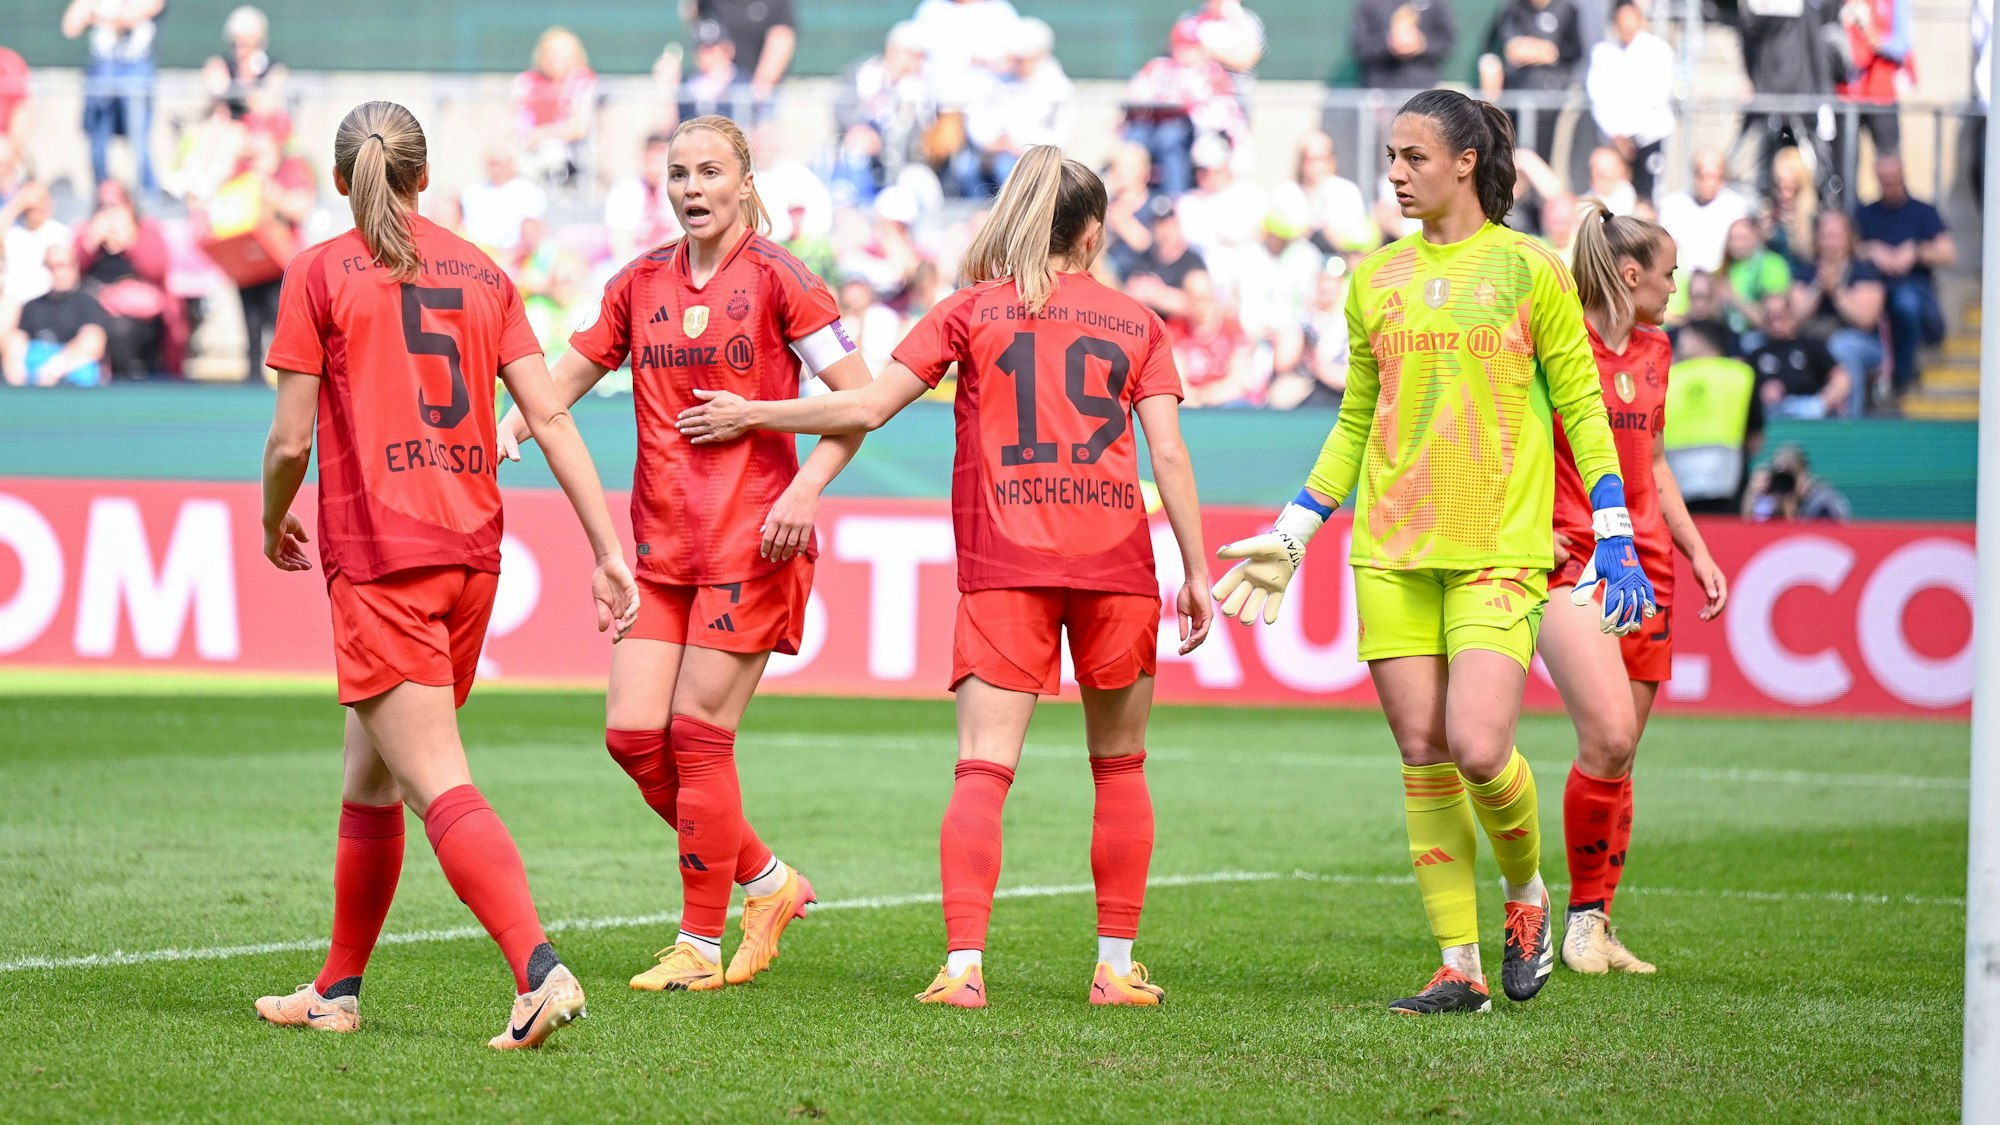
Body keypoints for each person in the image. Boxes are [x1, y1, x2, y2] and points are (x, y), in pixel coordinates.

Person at [676, 145, 1214, 1009]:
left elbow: (862, 407)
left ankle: (963, 968)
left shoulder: (968, 312)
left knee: (981, 769)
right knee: (1119, 765)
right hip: (1118, 561)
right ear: (1094, 232)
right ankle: (1115, 967)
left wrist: (752, 412)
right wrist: (1195, 569)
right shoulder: (1136, 322)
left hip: (1007, 563)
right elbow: (1173, 453)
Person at [1209, 90, 1654, 1015]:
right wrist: (1295, 529)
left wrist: (1614, 532)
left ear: (1464, 162)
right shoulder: (1375, 279)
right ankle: (1458, 963)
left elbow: (1582, 406)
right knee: (1422, 750)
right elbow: (1356, 421)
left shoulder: (1532, 270)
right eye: (1392, 158)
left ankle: (1527, 894)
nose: (1398, 173)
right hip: (1390, 550)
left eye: (1414, 156)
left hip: (1500, 546)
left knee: (1480, 748)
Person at [252, 100, 638, 1050]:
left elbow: (291, 440)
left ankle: (539, 971)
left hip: (382, 557)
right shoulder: (483, 271)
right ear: (425, 177)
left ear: (342, 183)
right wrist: (606, 547)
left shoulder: (318, 273)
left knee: (437, 783)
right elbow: (549, 419)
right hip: (471, 554)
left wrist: (271, 521)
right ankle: (338, 987)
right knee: (372, 772)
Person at [496, 114, 868, 993]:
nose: (692, 188)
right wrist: (512, 421)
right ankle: (769, 882)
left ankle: (698, 943)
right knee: (633, 737)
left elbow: (858, 401)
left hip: (753, 540)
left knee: (698, 737)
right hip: (661, 546)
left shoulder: (784, 280)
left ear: (744, 182)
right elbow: (573, 371)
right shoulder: (639, 283)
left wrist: (805, 486)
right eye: (678, 174)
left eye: (709, 172)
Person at [1544, 198, 1728, 977]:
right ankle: (1565, 919)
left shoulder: (1656, 349)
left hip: (1648, 565)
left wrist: (1695, 548)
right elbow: (1514, 443)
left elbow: (1651, 464)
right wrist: (1529, 526)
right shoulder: (1556, 343)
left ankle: (1595, 925)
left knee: (1621, 756)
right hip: (1575, 560)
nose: (1676, 285)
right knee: (1608, 737)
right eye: (1668, 271)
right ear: (1629, 273)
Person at [1856, 153, 1953, 397]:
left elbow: (1948, 254)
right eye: (1884, 179)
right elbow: (1846, 248)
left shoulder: (1923, 212)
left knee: (1906, 303)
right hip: (1874, 290)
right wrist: (1872, 251)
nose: (1890, 184)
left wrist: (1915, 251)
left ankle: (1903, 376)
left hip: (1914, 290)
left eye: (1894, 178)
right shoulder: (1865, 214)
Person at [1662, 321, 1763, 513]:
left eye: (1685, 337)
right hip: (1729, 483)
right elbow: (1755, 438)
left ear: (1699, 340)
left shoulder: (1668, 376)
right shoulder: (1741, 375)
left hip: (1676, 483)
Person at [64, 0, 163, 194]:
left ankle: (148, 194)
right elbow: (70, 27)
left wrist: (96, 16)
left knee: (138, 140)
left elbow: (131, 18)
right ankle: (101, 192)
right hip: (102, 71)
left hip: (135, 71)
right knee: (97, 140)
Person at [1792, 209, 1884, 413]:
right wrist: (1818, 286)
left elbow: (1865, 320)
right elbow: (1795, 319)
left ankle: (1851, 420)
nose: (1830, 243)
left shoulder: (1864, 271)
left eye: (1836, 237)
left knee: (1842, 345)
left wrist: (1836, 291)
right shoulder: (1805, 272)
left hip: (1864, 344)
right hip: (1814, 344)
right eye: (1825, 236)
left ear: (1848, 240)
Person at [1585, 0, 1674, 204]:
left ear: (1640, 20)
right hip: (1614, 140)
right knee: (1613, 194)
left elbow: (1657, 96)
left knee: (1646, 195)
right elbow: (1597, 94)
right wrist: (1616, 134)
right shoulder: (1603, 51)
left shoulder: (1658, 50)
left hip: (1648, 137)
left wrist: (1631, 135)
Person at [1478, 0, 1586, 163]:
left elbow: (1575, 51)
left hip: (1549, 100)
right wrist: (1492, 67)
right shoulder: (1512, 9)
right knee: (1507, 154)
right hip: (1512, 96)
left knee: (1539, 157)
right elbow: (1493, 48)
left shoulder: (1566, 10)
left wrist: (1550, 52)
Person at [2, 244, 108, 387]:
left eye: (63, 266)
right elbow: (17, 341)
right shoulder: (32, 306)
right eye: (52, 267)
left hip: (71, 371)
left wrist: (55, 368)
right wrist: (16, 372)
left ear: (75, 266)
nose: (58, 273)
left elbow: (93, 342)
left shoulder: (87, 303)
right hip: (35, 370)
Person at [512, 27, 598, 188]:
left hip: (567, 155)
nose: (556, 57)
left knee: (551, 154)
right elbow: (518, 124)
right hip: (529, 150)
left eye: (563, 51)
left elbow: (579, 127)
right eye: (551, 51)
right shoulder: (527, 82)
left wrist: (545, 133)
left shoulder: (582, 81)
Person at [1746, 293, 1852, 418]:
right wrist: (1761, 393)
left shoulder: (1810, 347)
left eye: (1780, 317)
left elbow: (1842, 379)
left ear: (1790, 315)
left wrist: (1821, 403)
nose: (1776, 324)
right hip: (1773, 417)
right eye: (1771, 318)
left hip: (1810, 415)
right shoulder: (1757, 354)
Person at [690, 0, 797, 123]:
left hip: (756, 91)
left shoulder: (775, 3)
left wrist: (760, 88)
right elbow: (694, 15)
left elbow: (781, 38)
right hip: (721, 88)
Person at [1657, 150, 1750, 276]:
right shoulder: (1672, 205)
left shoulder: (1736, 206)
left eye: (1716, 177)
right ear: (1694, 175)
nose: (1710, 183)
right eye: (1704, 176)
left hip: (1722, 276)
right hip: (1683, 277)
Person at [604, 131, 686, 262]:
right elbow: (620, 245)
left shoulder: (683, 191)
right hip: (634, 263)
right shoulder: (624, 193)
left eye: (659, 161)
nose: (654, 168)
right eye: (650, 161)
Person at [201, 6, 287, 124]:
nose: (242, 49)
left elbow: (268, 102)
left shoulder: (273, 68)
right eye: (238, 41)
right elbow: (216, 90)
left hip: (259, 128)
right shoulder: (221, 65)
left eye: (247, 43)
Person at [1353, 0, 1458, 91]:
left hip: (1424, 88)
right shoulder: (1370, 3)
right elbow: (1360, 45)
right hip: (1380, 89)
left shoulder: (1435, 3)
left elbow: (1446, 39)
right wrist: (1389, 43)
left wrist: (1422, 44)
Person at [1744, 442, 1850, 521]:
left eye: (1791, 477)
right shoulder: (1773, 501)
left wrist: (1792, 514)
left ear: (1804, 475)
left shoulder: (1823, 503)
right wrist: (1753, 496)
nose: (1787, 485)